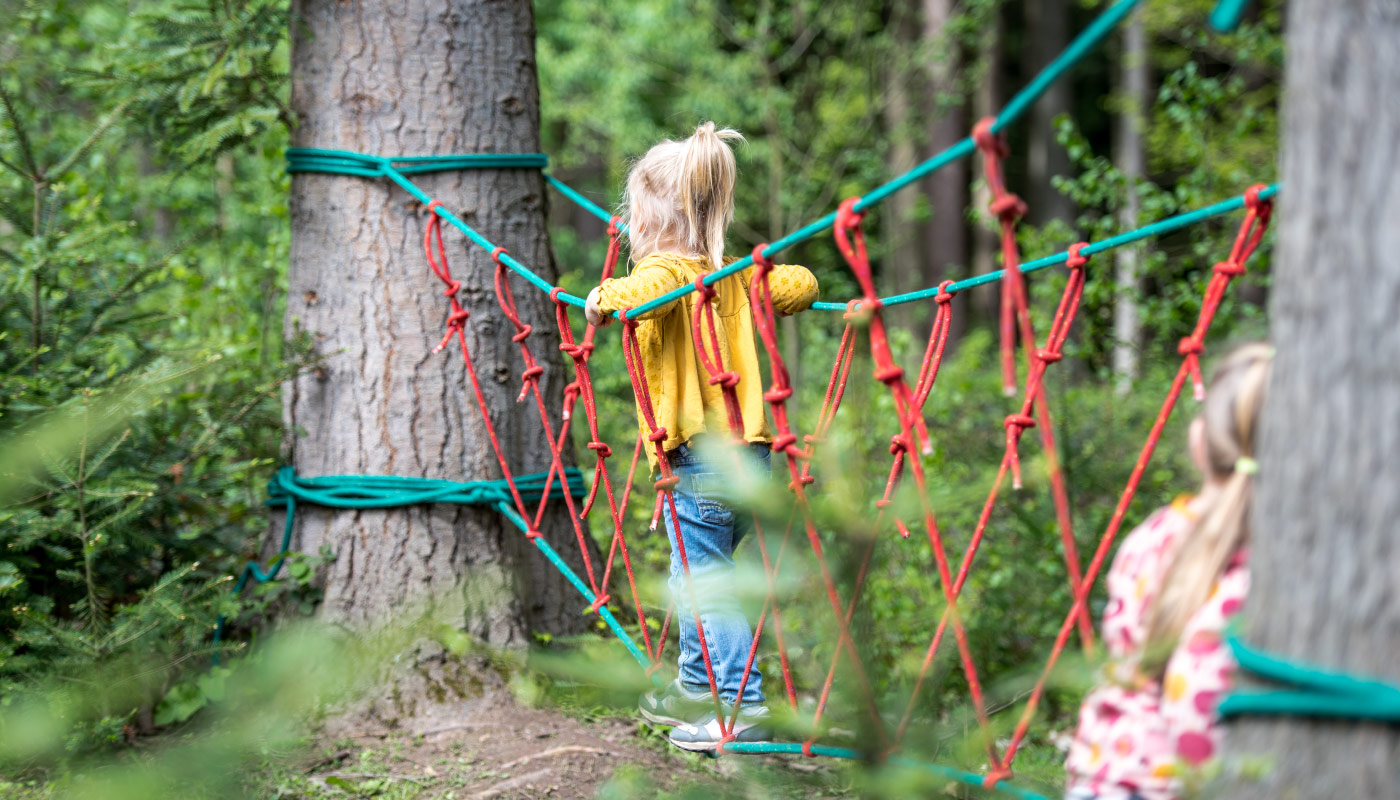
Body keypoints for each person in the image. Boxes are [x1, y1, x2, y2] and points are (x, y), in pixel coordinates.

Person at [584, 122, 818, 751]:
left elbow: (645, 295)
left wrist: (604, 297)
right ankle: (695, 684)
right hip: (757, 461)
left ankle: (739, 708)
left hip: (700, 461)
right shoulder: (737, 275)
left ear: (650, 218)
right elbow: (800, 286)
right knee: (700, 576)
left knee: (704, 584)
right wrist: (767, 271)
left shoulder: (664, 272)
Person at [1065, 342, 1271, 799]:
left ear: (1200, 444)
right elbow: (1195, 689)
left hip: (1097, 775)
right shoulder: (1257, 564)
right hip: (1165, 785)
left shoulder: (1151, 534)